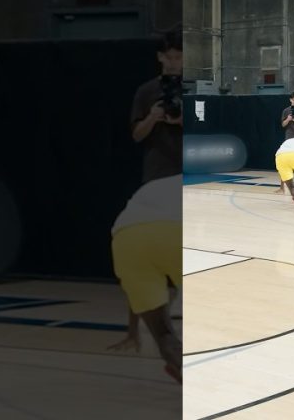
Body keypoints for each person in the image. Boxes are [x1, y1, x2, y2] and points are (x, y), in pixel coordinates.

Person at [108, 175, 182, 383]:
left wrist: (133, 330)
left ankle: (181, 369)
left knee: (165, 336)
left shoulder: (152, 187)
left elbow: (138, 295)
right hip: (177, 230)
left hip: (126, 237)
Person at [130, 32, 183, 185]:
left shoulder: (194, 89)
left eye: (178, 57)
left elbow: (204, 131)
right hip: (157, 171)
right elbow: (136, 136)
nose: (173, 63)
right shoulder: (146, 91)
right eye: (169, 57)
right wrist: (152, 117)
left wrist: (181, 120)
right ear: (160, 56)